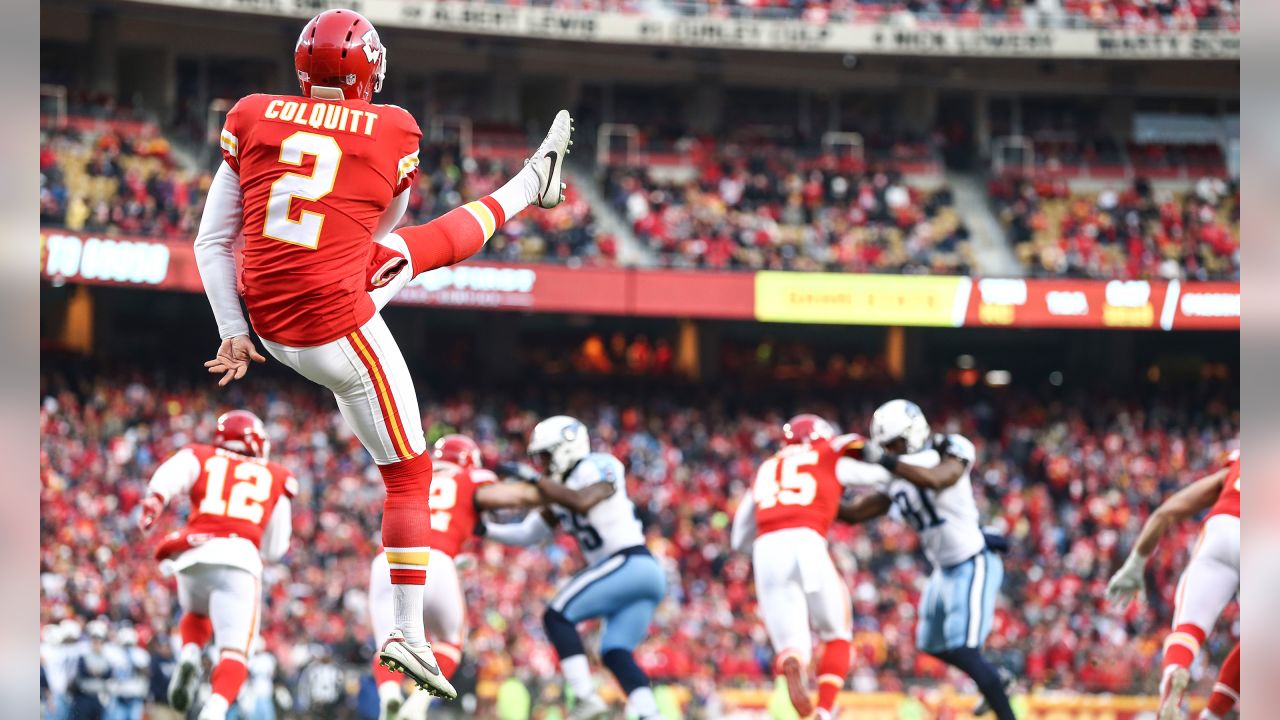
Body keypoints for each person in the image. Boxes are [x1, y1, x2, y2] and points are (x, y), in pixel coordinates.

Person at [191, 7, 573, 700]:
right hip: (332, 324)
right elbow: (378, 222)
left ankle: (529, 185)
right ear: (368, 66)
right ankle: (405, 631)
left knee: (408, 254)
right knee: (410, 472)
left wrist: (232, 330)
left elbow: (211, 243)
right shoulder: (394, 128)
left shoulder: (250, 113)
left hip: (266, 318)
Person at [368, 434, 596, 719]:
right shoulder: (471, 478)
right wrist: (552, 489)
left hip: (386, 560)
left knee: (388, 642)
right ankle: (417, 705)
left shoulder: (417, 473)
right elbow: (518, 496)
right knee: (450, 640)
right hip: (437, 559)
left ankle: (387, 696)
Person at [837, 400, 1015, 720]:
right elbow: (853, 513)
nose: (892, 450)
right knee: (932, 645)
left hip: (972, 559)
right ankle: (994, 678)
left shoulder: (951, 449)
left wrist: (885, 462)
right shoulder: (894, 476)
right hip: (943, 570)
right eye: (887, 446)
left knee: (963, 648)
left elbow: (936, 479)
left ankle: (1004, 708)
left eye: (895, 444)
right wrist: (818, 495)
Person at [484, 416, 666, 720]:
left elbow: (583, 501)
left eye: (544, 456)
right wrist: (482, 530)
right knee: (614, 651)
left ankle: (585, 698)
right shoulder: (560, 491)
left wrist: (532, 479)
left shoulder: (595, 465)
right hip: (634, 574)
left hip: (629, 562)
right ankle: (652, 715)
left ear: (565, 448)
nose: (541, 464)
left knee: (557, 615)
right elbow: (527, 533)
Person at [138, 409, 295, 720]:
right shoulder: (276, 475)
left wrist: (155, 500)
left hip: (193, 553)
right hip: (239, 558)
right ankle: (215, 710)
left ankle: (190, 654)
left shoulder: (201, 455)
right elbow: (276, 548)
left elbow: (172, 473)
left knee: (196, 612)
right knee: (235, 652)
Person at [729, 414, 883, 719]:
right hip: (807, 540)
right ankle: (824, 710)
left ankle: (794, 658)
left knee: (793, 646)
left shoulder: (766, 467)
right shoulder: (826, 454)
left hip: (767, 549)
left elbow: (738, 538)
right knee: (837, 632)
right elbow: (877, 474)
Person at [1107, 447, 1240, 720]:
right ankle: (1211, 716)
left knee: (1188, 628)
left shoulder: (1241, 462)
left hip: (1219, 531)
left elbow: (1167, 511)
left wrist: (1135, 564)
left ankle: (1173, 677)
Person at [104, 625, 149, 720]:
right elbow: (107, 673)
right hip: (118, 696)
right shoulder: (112, 653)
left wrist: (139, 668)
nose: (128, 647)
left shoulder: (141, 655)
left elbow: (147, 674)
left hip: (135, 695)